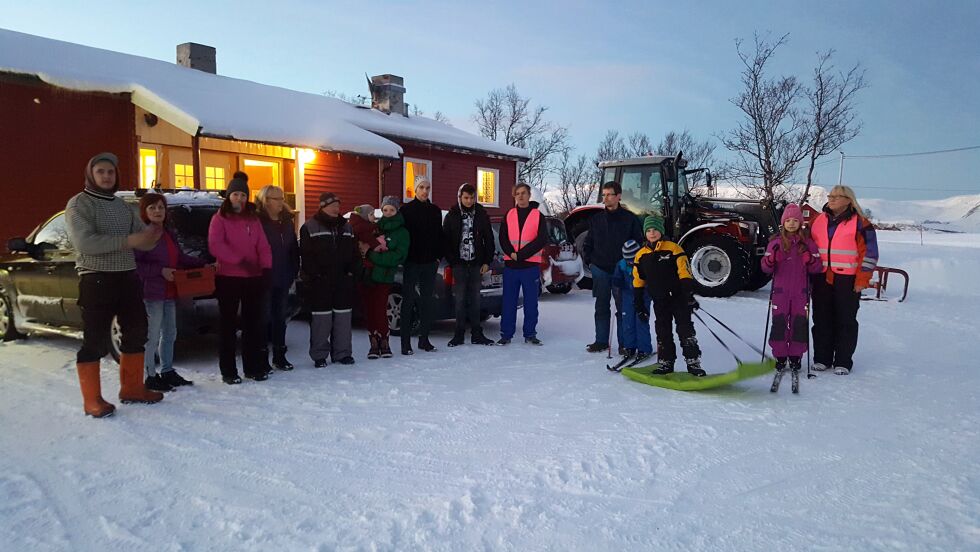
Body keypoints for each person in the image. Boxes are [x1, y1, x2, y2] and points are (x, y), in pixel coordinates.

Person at [65, 152, 164, 417]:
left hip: (128, 277)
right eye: (101, 172)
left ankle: (132, 389)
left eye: (110, 172)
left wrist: (153, 232)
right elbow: (86, 243)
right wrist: (129, 241)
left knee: (136, 332)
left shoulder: (123, 206)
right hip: (96, 279)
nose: (107, 176)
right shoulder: (79, 204)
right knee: (95, 340)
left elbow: (143, 240)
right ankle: (92, 401)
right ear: (91, 174)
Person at [134, 193, 208, 391]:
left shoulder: (168, 233)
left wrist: (204, 264)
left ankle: (167, 371)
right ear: (144, 212)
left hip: (169, 292)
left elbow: (179, 258)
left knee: (170, 333)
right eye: (152, 208)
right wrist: (160, 271)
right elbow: (135, 265)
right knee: (152, 335)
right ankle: (149, 376)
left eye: (160, 207)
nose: (157, 211)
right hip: (152, 294)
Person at [208, 176, 273, 384]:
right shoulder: (219, 218)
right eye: (235, 194)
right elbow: (216, 245)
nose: (239, 198)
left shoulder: (253, 219)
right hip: (228, 277)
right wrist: (240, 261)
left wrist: (266, 267)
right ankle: (228, 370)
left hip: (253, 277)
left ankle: (252, 367)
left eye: (243, 194)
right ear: (229, 196)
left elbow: (263, 245)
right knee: (227, 325)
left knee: (252, 324)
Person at [809, 185, 879, 375]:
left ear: (848, 200)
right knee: (821, 318)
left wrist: (862, 279)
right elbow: (806, 247)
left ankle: (843, 360)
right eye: (830, 196)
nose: (831, 199)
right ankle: (822, 358)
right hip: (821, 277)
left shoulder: (861, 224)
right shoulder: (817, 220)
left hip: (847, 279)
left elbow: (870, 254)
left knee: (846, 320)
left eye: (837, 197)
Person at [632, 215, 706, 377]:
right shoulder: (641, 255)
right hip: (659, 300)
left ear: (661, 231)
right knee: (662, 331)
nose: (652, 233)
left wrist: (688, 294)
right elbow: (638, 280)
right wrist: (639, 304)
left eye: (655, 229)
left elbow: (684, 272)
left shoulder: (674, 248)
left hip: (678, 298)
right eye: (649, 230)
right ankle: (666, 362)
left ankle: (693, 362)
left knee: (685, 330)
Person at [760, 204, 823, 374]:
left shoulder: (808, 243)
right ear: (783, 223)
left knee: (799, 324)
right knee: (779, 323)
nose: (792, 223)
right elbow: (765, 268)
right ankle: (780, 356)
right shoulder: (775, 242)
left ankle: (796, 356)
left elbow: (817, 268)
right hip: (780, 292)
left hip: (800, 292)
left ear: (801, 223)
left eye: (795, 220)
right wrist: (771, 259)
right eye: (788, 220)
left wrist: (809, 260)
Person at [582, 181, 644, 354]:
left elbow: (638, 242)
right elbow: (589, 242)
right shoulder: (596, 219)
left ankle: (625, 343)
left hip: (622, 270)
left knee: (623, 308)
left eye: (609, 194)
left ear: (618, 196)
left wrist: (628, 264)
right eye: (604, 195)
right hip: (600, 268)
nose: (606, 198)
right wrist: (590, 261)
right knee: (601, 306)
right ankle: (601, 341)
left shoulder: (630, 218)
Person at [300, 192, 360, 367]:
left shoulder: (346, 227)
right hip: (320, 282)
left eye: (338, 205)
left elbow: (355, 254)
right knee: (321, 320)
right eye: (332, 205)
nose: (336, 209)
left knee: (343, 319)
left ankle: (343, 353)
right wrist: (315, 276)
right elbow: (306, 255)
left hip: (343, 281)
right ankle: (319, 355)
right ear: (322, 207)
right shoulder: (310, 227)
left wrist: (351, 273)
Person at [442, 183, 496, 347]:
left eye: (472, 197)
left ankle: (476, 334)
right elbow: (446, 241)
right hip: (459, 264)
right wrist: (453, 261)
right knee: (459, 300)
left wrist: (487, 261)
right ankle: (458, 334)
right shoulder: (452, 215)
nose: (469, 200)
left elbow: (489, 239)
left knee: (475, 300)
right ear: (460, 197)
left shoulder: (481, 214)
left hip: (476, 264)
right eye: (466, 197)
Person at [256, 184, 300, 372]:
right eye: (277, 199)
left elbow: (292, 250)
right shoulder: (257, 221)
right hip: (263, 278)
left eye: (282, 198)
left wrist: (293, 270)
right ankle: (261, 357)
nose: (282, 202)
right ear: (266, 200)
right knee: (263, 318)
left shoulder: (286, 221)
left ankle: (280, 356)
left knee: (280, 318)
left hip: (283, 276)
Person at [497, 183, 547, 346]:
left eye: (523, 193)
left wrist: (522, 254)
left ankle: (530, 334)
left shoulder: (537, 215)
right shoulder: (509, 214)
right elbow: (503, 237)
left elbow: (541, 240)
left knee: (531, 302)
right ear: (514, 196)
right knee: (508, 302)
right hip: (511, 267)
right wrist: (512, 253)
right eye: (517, 193)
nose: (520, 196)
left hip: (530, 266)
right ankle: (506, 334)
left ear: (529, 194)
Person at [398, 177, 443, 355]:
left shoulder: (435, 211)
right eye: (421, 187)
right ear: (415, 190)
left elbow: (440, 236)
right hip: (411, 263)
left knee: (427, 302)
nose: (425, 191)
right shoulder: (406, 210)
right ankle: (405, 342)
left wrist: (438, 257)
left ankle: (424, 339)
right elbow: (401, 236)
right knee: (408, 302)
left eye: (427, 187)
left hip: (430, 263)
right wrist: (404, 257)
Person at [361, 196, 409, 358]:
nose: (388, 213)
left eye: (392, 210)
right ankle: (373, 342)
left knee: (381, 309)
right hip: (368, 276)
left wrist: (371, 255)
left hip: (385, 277)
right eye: (385, 210)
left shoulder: (402, 232)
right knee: (370, 310)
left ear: (397, 211)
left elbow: (397, 256)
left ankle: (384, 341)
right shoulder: (375, 228)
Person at [611, 239, 653, 365]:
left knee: (641, 321)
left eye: (632, 259)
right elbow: (616, 278)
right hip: (627, 297)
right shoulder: (621, 265)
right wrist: (616, 282)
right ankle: (629, 347)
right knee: (627, 322)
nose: (630, 262)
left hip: (643, 297)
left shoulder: (644, 263)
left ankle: (644, 348)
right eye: (627, 259)